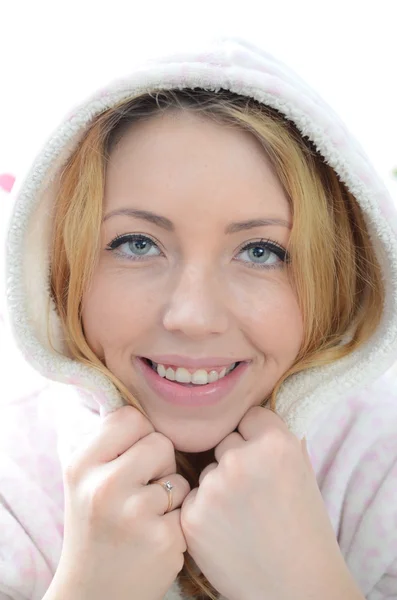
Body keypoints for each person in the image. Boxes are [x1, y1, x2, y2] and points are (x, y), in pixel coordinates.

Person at [1, 36, 397, 600]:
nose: (193, 316)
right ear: (58, 268)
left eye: (262, 251)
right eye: (137, 243)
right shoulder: (12, 484)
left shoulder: (381, 467)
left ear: (338, 278)